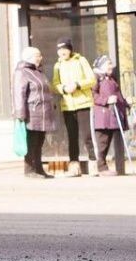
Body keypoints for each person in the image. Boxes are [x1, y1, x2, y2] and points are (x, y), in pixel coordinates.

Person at [51, 38, 97, 177]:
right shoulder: (57, 66)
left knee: (87, 136)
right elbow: (55, 85)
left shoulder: (81, 60)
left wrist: (77, 85)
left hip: (84, 103)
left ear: (70, 49)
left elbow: (92, 79)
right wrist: (64, 88)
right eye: (59, 49)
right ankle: (74, 166)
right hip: (67, 106)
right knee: (72, 137)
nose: (62, 51)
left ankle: (94, 164)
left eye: (64, 48)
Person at [13, 46, 55, 179]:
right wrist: (20, 114)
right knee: (31, 142)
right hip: (31, 113)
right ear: (29, 57)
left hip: (43, 113)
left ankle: (38, 168)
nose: (40, 57)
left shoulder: (38, 72)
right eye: (38, 55)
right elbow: (19, 94)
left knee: (39, 142)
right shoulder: (22, 72)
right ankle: (29, 170)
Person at [91, 54, 128, 176]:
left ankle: (108, 167)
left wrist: (126, 103)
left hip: (113, 116)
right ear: (101, 66)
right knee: (103, 142)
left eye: (111, 64)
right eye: (108, 64)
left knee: (109, 141)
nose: (111, 66)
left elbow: (118, 95)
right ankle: (101, 168)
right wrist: (106, 100)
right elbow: (93, 95)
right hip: (103, 116)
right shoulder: (97, 78)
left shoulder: (112, 79)